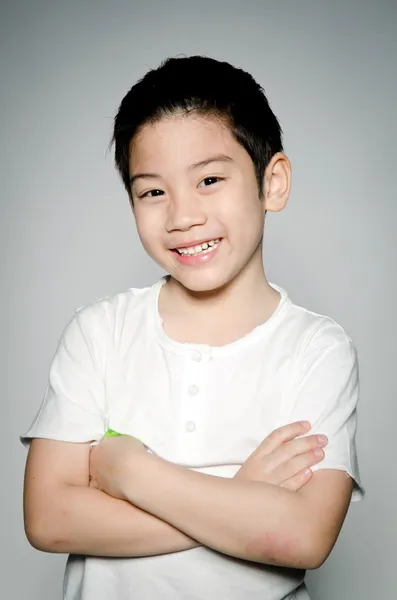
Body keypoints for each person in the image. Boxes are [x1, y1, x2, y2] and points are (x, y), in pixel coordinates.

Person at [22, 55, 364, 600]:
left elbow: (303, 535)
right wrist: (239, 499)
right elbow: (48, 517)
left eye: (209, 179)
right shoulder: (100, 332)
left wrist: (129, 473)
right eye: (153, 191)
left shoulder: (317, 350)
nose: (182, 215)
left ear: (271, 183)